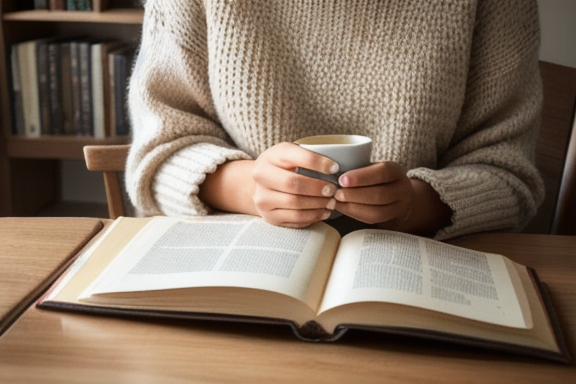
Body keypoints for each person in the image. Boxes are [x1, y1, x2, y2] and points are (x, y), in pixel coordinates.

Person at [125, 0, 544, 241]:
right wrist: (250, 186)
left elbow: (508, 174)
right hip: (237, 263)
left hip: (422, 265)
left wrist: (414, 205)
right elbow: (160, 157)